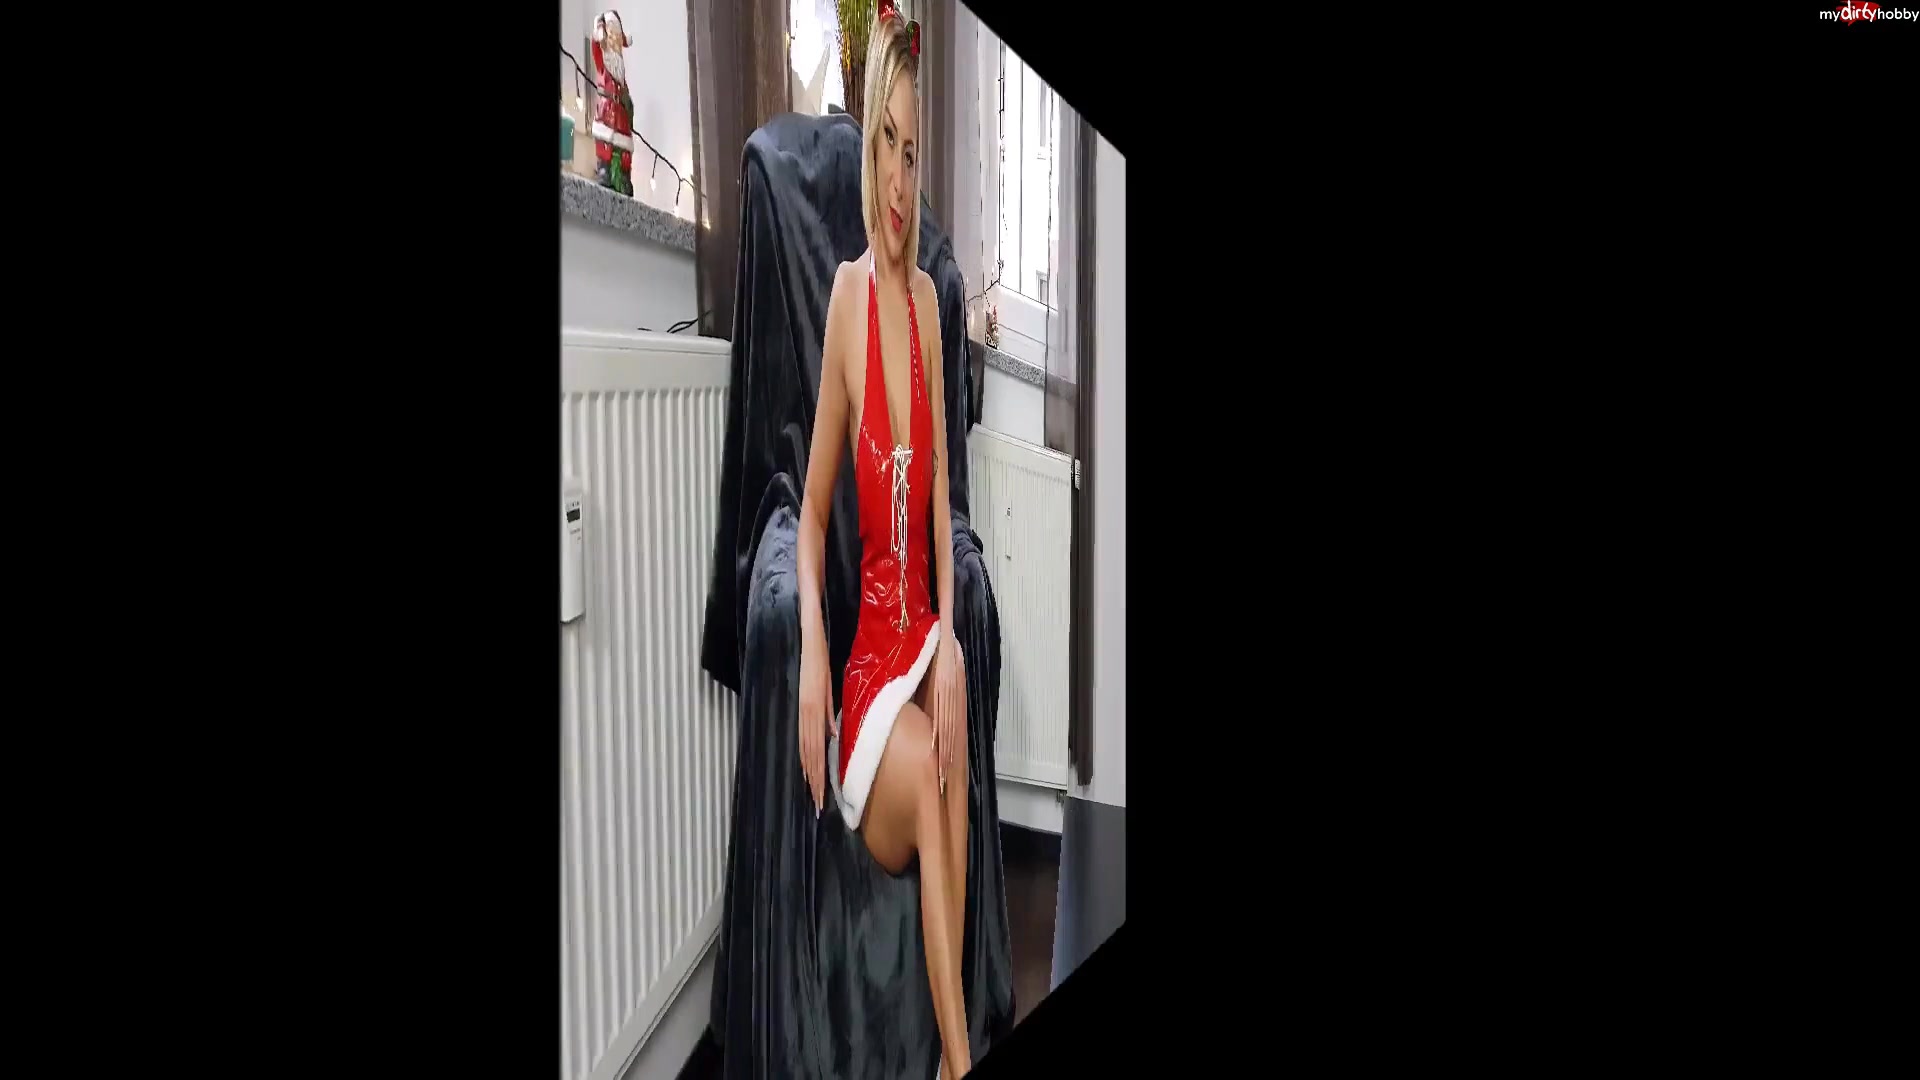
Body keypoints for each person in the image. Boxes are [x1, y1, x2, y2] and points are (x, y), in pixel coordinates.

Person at [793, 4, 972, 1076]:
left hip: (918, 643)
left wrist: (946, 638)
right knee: (931, 767)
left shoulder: (933, 310)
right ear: (867, 147)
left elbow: (939, 488)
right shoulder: (848, 300)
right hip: (867, 673)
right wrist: (815, 651)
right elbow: (812, 512)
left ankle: (952, 1061)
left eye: (915, 153)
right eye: (887, 146)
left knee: (952, 726)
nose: (900, 181)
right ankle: (957, 1060)